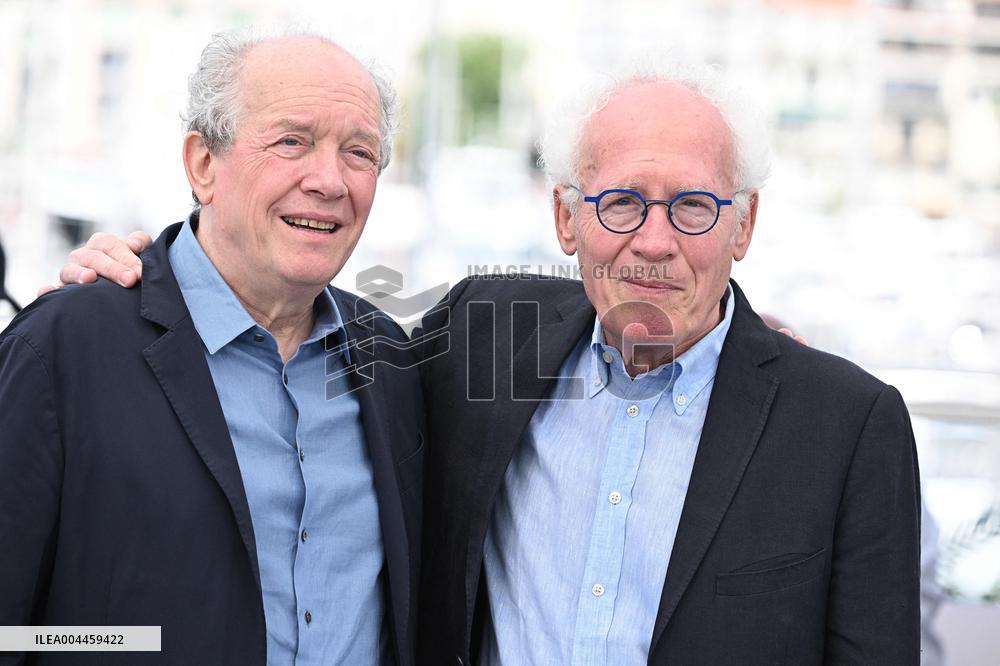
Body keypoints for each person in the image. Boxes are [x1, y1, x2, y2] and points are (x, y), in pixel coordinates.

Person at [52, 60, 921, 664]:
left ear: (745, 225)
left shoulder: (844, 428)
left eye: (695, 207)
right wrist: (156, 271)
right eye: (619, 202)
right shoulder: (478, 339)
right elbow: (267, 300)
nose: (655, 242)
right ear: (566, 219)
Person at [0, 29, 423, 665]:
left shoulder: (395, 366)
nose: (330, 180)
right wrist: (132, 645)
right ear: (203, 164)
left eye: (359, 153)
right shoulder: (63, 349)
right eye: (292, 142)